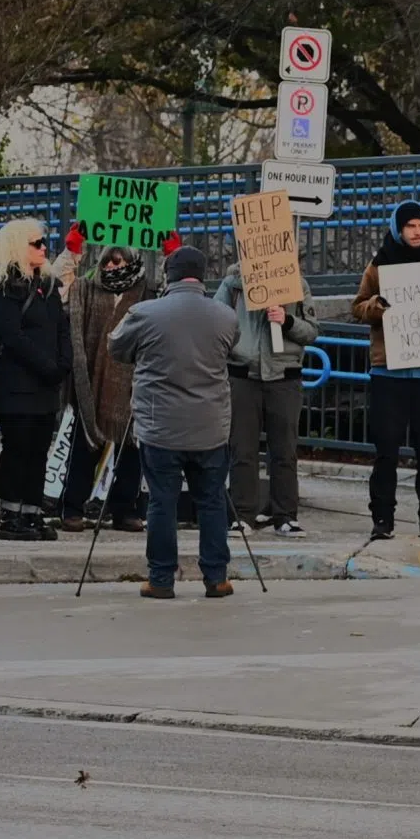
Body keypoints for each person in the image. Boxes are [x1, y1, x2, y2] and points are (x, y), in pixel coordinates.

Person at [111, 245, 240, 600]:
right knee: (212, 501)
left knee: (161, 503)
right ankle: (216, 577)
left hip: (160, 425)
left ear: (168, 275)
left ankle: (161, 579)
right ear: (202, 275)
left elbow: (116, 347)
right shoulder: (225, 316)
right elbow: (233, 348)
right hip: (210, 427)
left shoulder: (145, 313)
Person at [351, 203, 420, 542]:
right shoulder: (379, 265)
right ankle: (382, 519)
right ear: (398, 229)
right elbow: (358, 305)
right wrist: (377, 306)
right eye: (410, 226)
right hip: (390, 372)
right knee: (387, 450)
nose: (417, 231)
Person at [214, 260, 320, 536]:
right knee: (242, 449)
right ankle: (243, 516)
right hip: (243, 375)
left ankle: (285, 515)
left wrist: (287, 321)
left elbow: (311, 331)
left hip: (284, 376)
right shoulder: (232, 284)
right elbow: (216, 322)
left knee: (284, 450)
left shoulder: (297, 284)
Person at [0, 219, 69, 543]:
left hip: (46, 385)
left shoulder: (47, 282)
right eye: (36, 243)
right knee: (17, 449)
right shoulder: (5, 286)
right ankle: (11, 515)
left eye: (43, 242)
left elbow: (61, 325)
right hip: (16, 384)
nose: (44, 248)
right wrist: (46, 364)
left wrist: (63, 362)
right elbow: (13, 336)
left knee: (38, 451)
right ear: (18, 246)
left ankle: (33, 512)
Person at [59, 240, 150, 533]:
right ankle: (72, 507)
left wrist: (172, 251)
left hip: (131, 384)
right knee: (85, 445)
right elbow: (63, 296)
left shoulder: (146, 292)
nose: (111, 267)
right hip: (93, 382)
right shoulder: (87, 289)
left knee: (131, 450)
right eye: (107, 261)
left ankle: (124, 511)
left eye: (118, 261)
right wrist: (72, 252)